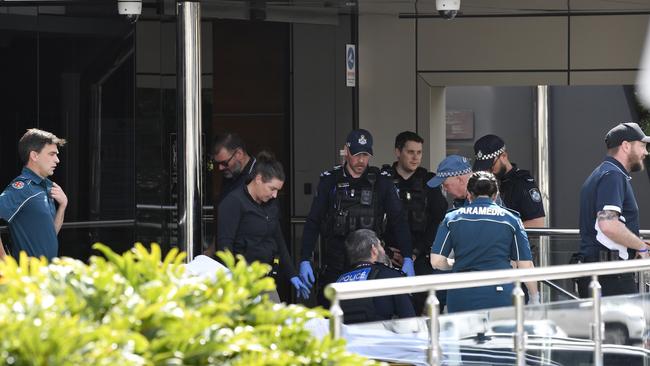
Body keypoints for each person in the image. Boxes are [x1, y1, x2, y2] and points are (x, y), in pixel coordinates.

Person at [299, 129, 414, 307]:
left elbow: (398, 220)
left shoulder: (382, 181)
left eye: (366, 155)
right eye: (357, 154)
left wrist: (407, 256)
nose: (361, 160)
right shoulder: (330, 180)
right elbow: (313, 221)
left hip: (370, 262)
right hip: (336, 261)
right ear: (346, 151)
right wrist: (305, 258)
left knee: (369, 313)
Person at [430, 171, 539, 313]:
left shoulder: (452, 218)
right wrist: (534, 298)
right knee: (501, 335)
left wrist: (455, 263)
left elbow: (436, 261)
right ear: (496, 195)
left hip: (461, 295)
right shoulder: (512, 220)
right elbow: (525, 264)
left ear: (469, 194)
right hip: (500, 295)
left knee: (464, 336)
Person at [217, 151, 310, 301]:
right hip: (241, 281)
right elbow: (224, 247)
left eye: (278, 191)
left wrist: (292, 274)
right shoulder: (234, 202)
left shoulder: (271, 204)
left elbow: (278, 240)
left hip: (265, 280)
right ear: (258, 179)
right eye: (272, 189)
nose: (274, 195)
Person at [577, 122, 650, 298]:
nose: (646, 152)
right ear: (626, 146)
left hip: (601, 273)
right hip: (611, 276)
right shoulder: (613, 175)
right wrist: (642, 248)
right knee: (623, 326)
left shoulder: (603, 173)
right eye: (642, 146)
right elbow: (608, 224)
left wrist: (636, 243)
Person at [381, 131, 448, 314]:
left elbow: (438, 221)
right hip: (389, 256)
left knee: (424, 310)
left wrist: (415, 253)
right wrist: (385, 250)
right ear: (398, 152)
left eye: (419, 152)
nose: (415, 157)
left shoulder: (429, 181)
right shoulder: (383, 180)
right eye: (410, 152)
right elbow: (374, 220)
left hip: (420, 256)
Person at [0, 128, 67, 260]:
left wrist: (63, 205)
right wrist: (4, 261)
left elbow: (50, 234)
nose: (57, 160)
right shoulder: (22, 188)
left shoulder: (46, 187)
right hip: (27, 277)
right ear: (34, 156)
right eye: (52, 154)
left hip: (46, 275)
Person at [336, 229, 416, 324]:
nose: (384, 251)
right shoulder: (390, 277)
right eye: (380, 246)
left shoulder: (338, 282)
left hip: (345, 338)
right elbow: (410, 322)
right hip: (379, 337)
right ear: (374, 250)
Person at [472, 134, 546, 228]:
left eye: (491, 165)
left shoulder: (523, 184)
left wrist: (502, 229)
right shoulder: (494, 182)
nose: (489, 171)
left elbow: (537, 224)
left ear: (504, 156)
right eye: (485, 167)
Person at [205, 133, 256, 257]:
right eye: (218, 164)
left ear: (238, 154)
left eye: (225, 163)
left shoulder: (259, 176)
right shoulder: (230, 176)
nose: (221, 168)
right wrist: (211, 250)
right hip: (226, 253)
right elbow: (224, 222)